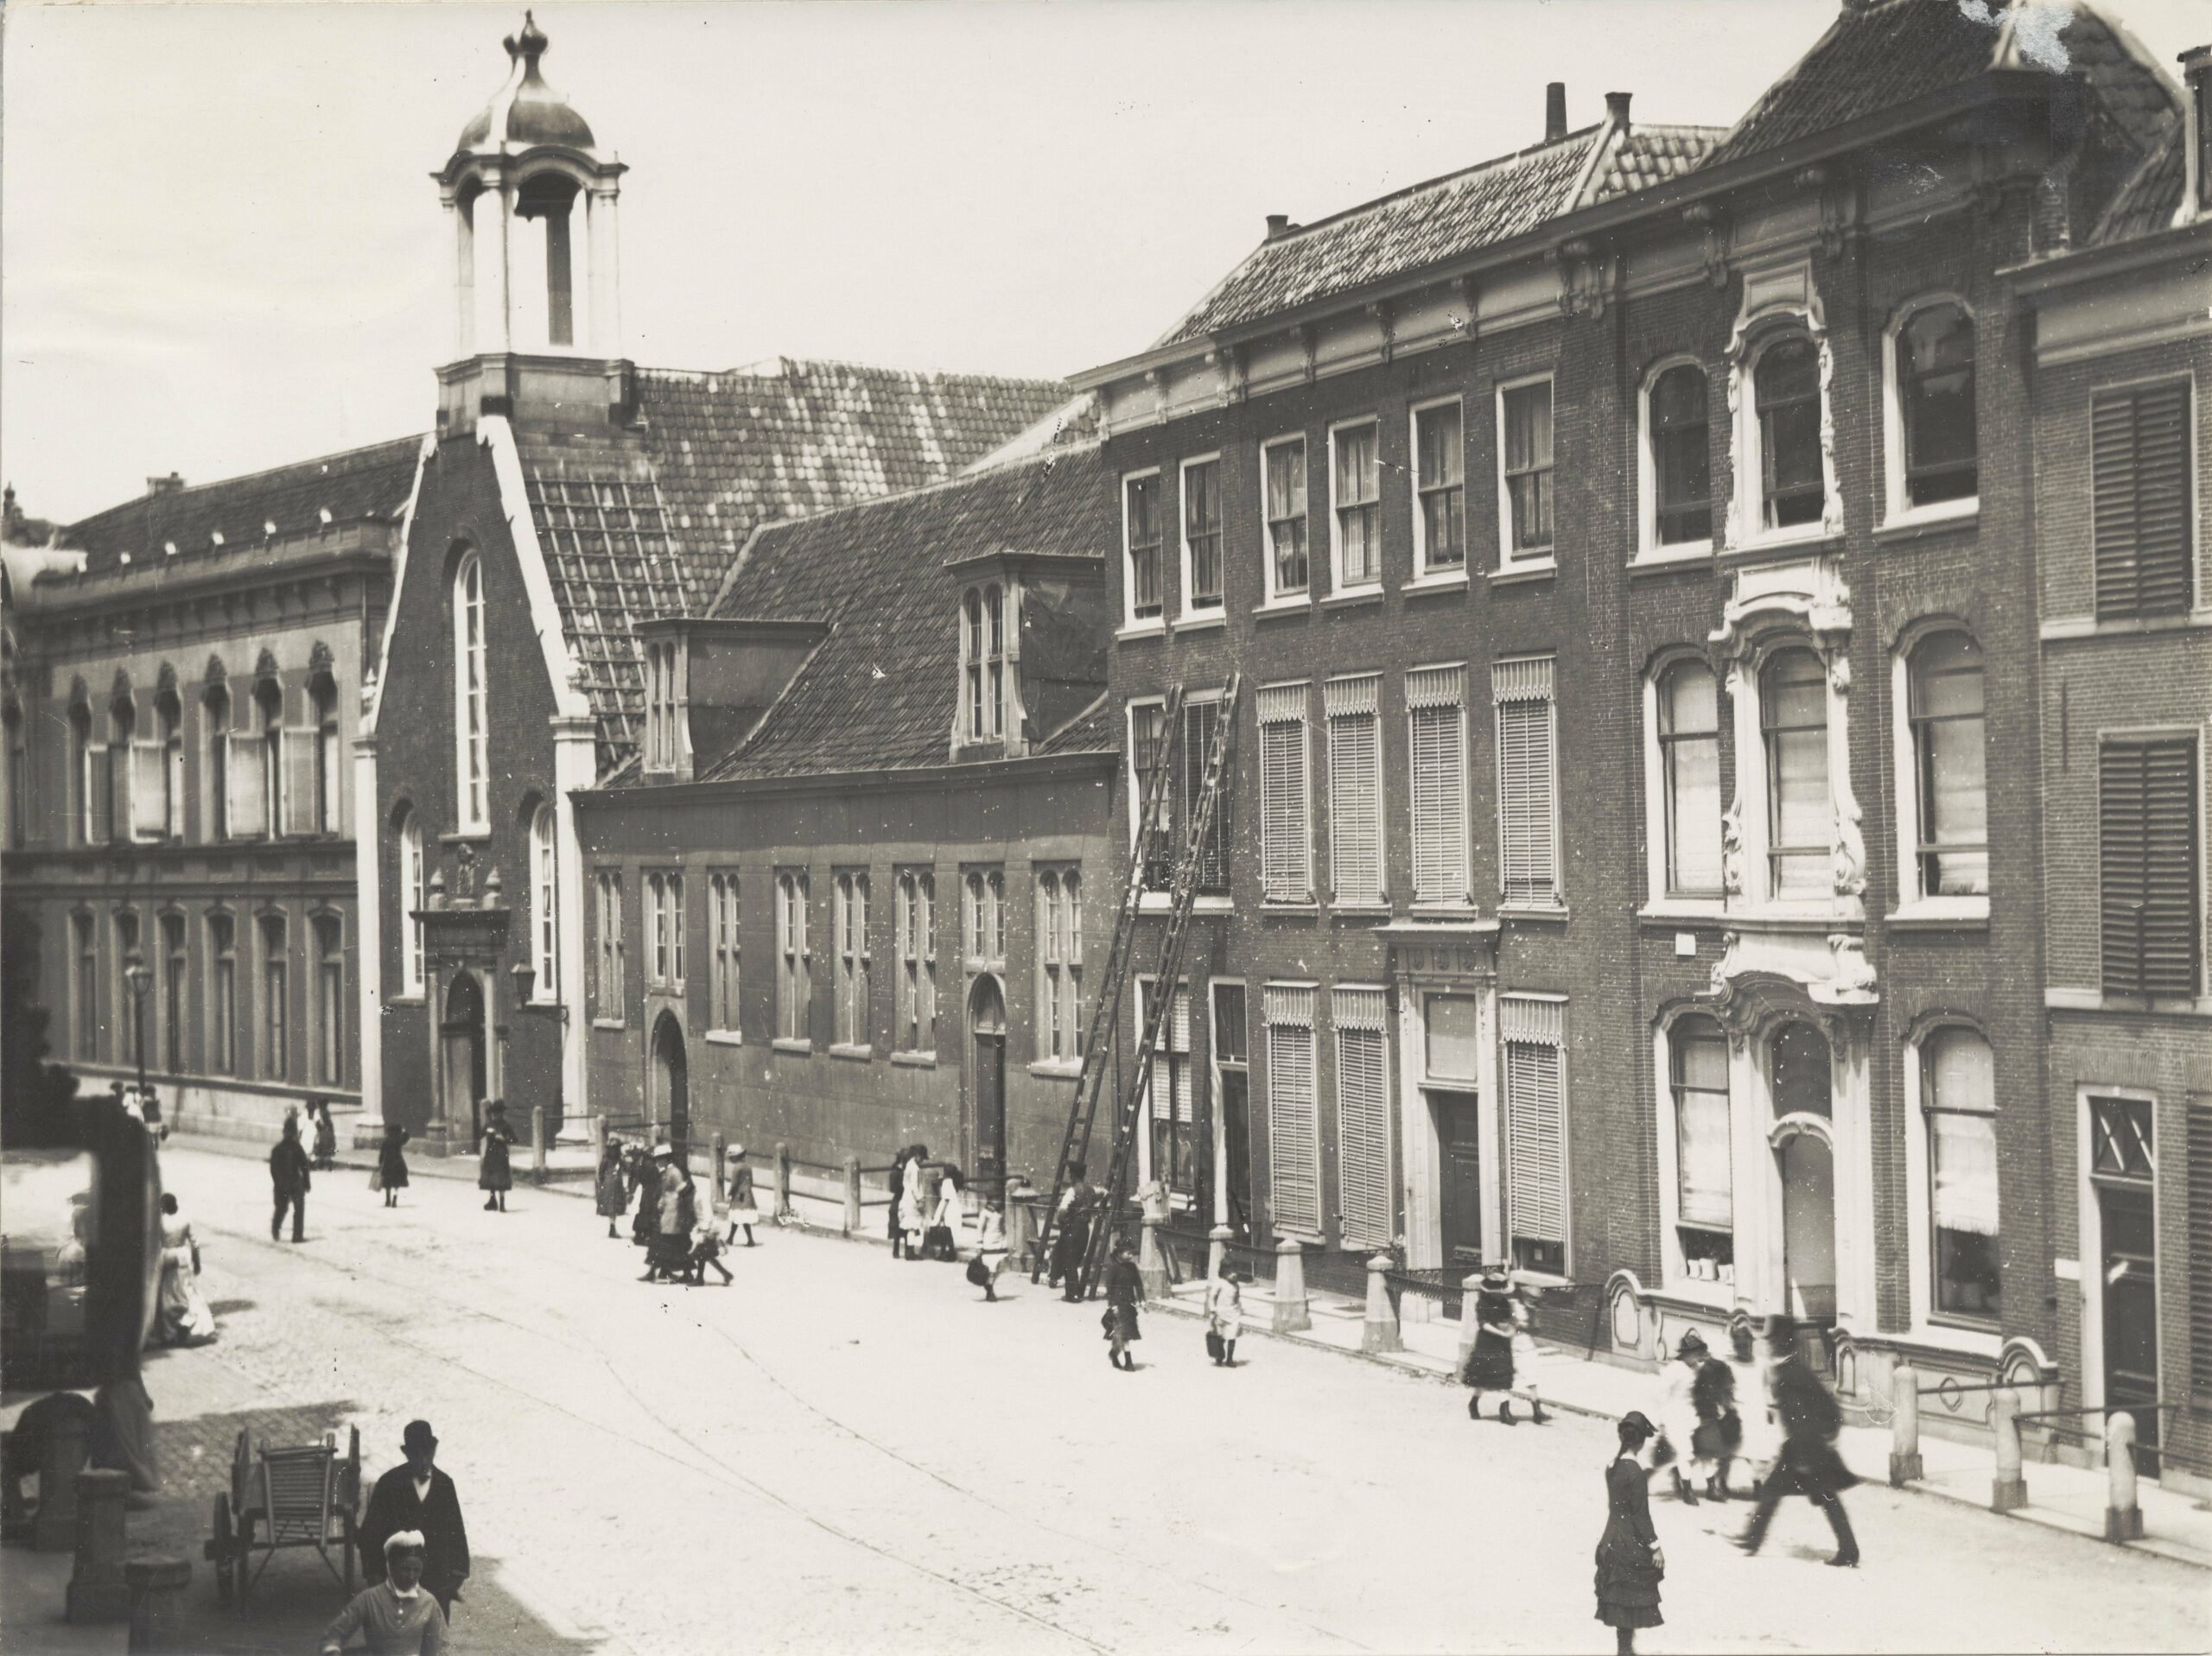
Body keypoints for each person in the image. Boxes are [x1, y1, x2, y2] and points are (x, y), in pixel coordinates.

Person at [1736, 1314, 1859, 1568]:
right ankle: (1752, 1538)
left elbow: (1815, 1414)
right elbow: (1824, 1412)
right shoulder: (1789, 1369)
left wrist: (1808, 1453)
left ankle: (1848, 1550)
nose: (1769, 1344)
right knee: (1818, 1495)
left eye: (1773, 1340)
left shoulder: (1792, 1373)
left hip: (1806, 1450)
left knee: (1812, 1494)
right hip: (1804, 1447)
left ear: (1783, 1342)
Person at [358, 1420, 471, 1619]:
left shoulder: (445, 1484)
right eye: (416, 1454)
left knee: (435, 1633)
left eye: (427, 1452)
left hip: (436, 1578)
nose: (423, 1459)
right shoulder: (390, 1483)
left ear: (434, 1449)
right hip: (397, 1578)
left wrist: (457, 1574)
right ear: (406, 1453)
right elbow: (371, 1534)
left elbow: (456, 1531)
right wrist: (374, 1572)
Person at [1594, 1412, 1665, 1656]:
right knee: (1633, 1593)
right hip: (1628, 1539)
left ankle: (1624, 1649)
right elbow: (1640, 1514)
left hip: (1610, 1537)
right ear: (1641, 1442)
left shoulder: (1611, 1466)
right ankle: (1625, 1651)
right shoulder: (1636, 1473)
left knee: (1620, 1596)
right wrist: (1655, 1546)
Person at [321, 1530, 448, 1655]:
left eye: (417, 1570)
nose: (411, 1576)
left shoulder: (429, 1602)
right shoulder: (369, 1598)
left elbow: (439, 1647)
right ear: (390, 1566)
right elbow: (334, 1634)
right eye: (405, 1569)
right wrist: (333, 1651)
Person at [1656, 1329, 1711, 1504]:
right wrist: (1662, 1420)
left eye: (1698, 1352)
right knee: (1684, 1451)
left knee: (1699, 1450)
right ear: (1685, 1354)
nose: (1696, 1356)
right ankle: (1688, 1491)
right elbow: (1661, 1394)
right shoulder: (1674, 1370)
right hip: (1674, 1415)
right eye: (1693, 1353)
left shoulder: (1696, 1368)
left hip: (1691, 1414)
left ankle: (1678, 1472)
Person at [156, 1193, 216, 1347]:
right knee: (188, 1291)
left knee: (167, 1294)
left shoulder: (160, 1222)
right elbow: (195, 1243)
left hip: (166, 1256)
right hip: (183, 1256)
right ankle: (191, 1322)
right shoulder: (185, 1219)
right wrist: (197, 1262)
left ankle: (170, 1331)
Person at [1725, 1322, 1778, 1494]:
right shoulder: (1730, 1364)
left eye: (1746, 1345)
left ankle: (1758, 1483)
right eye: (1739, 1346)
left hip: (1758, 1409)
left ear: (1752, 1344)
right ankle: (1721, 1482)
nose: (1743, 1349)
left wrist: (1769, 1407)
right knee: (1730, 1450)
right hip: (1739, 1410)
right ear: (1734, 1346)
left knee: (1759, 1450)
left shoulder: (1761, 1363)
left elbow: (1765, 1386)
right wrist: (1728, 1406)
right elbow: (1726, 1389)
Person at [1463, 1268, 1520, 1423]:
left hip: (1502, 1344)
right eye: (1498, 1291)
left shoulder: (1505, 1303)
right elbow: (1484, 1324)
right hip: (1487, 1343)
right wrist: (1501, 1333)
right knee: (1483, 1378)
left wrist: (1511, 1329)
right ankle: (1474, 1402)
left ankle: (1505, 1411)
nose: (1500, 1293)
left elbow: (1509, 1320)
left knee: (1504, 1376)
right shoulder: (1482, 1303)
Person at [1691, 1337, 1744, 1500]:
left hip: (1719, 1414)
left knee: (1723, 1449)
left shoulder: (1721, 1367)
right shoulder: (1702, 1370)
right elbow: (1697, 1394)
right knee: (1705, 1450)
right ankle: (1712, 1487)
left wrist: (1729, 1405)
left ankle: (1720, 1484)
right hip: (1706, 1415)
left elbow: (1728, 1388)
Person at [1048, 1162, 1097, 1302]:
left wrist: (1061, 1221)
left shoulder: (1072, 1191)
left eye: (1070, 1174)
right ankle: (1073, 1290)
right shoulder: (1091, 1189)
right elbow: (1105, 1194)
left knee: (1068, 1259)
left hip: (1072, 1227)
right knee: (1075, 1259)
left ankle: (1072, 1294)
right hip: (1085, 1229)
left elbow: (1062, 1211)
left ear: (1073, 1175)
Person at [1507, 1272, 1550, 1424]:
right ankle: (1504, 1410)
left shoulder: (1530, 1309)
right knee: (1506, 1377)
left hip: (1526, 1344)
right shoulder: (1511, 1304)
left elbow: (1536, 1329)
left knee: (1531, 1375)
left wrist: (1530, 1325)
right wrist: (1516, 1325)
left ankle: (1537, 1411)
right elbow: (1505, 1324)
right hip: (1510, 1343)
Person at [270, 1111, 311, 1243]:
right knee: (282, 1208)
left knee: (299, 1208)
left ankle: (297, 1235)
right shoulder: (278, 1149)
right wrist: (278, 1182)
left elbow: (304, 1166)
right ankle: (276, 1228)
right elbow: (273, 1169)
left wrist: (306, 1182)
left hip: (294, 1182)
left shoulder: (296, 1148)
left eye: (291, 1132)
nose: (290, 1135)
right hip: (283, 1183)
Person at [1102, 1241, 1142, 1370]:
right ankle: (1128, 1362)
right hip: (1118, 1305)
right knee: (1124, 1333)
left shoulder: (1132, 1267)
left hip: (1130, 1305)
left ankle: (1114, 1354)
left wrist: (1142, 1300)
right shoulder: (1113, 1268)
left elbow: (1138, 1284)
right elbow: (1109, 1287)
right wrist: (1112, 1304)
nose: (1131, 1255)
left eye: (1132, 1253)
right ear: (1119, 1253)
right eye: (1128, 1253)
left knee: (1125, 1333)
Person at [966, 1200, 1011, 1301]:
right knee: (991, 1268)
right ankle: (990, 1290)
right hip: (989, 1243)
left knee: (999, 1267)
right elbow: (980, 1229)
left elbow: (1003, 1227)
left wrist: (1006, 1241)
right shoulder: (985, 1212)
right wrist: (979, 1244)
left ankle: (989, 1284)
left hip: (1000, 1241)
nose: (997, 1202)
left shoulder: (1001, 1211)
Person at [477, 1101, 516, 1213]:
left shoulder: (506, 1125)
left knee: (501, 1179)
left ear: (502, 1114)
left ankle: (502, 1204)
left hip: (501, 1154)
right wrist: (486, 1131)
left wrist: (504, 1139)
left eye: (497, 1113)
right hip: (490, 1154)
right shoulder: (489, 1124)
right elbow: (480, 1135)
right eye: (493, 1113)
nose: (495, 1115)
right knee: (491, 1178)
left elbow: (514, 1139)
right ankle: (492, 1201)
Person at [1204, 1265, 1244, 1367]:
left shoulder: (1236, 1285)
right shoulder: (1220, 1284)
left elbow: (1237, 1298)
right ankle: (1219, 1356)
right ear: (1224, 1273)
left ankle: (1230, 1359)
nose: (1234, 1275)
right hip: (1220, 1314)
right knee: (1219, 1337)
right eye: (1230, 1273)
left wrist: (1239, 1310)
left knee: (1232, 1336)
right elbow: (1212, 1297)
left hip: (1233, 1314)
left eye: (1235, 1272)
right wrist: (1213, 1310)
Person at [897, 1145, 931, 1262]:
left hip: (906, 1197)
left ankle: (909, 1250)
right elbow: (914, 1187)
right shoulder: (915, 1168)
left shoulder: (908, 1165)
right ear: (917, 1156)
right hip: (912, 1199)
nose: (922, 1161)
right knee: (912, 1226)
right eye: (922, 1158)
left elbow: (905, 1184)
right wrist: (920, 1199)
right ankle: (910, 1252)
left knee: (910, 1226)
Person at [927, 1164, 966, 1261]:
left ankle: (944, 1253)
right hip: (954, 1206)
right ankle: (949, 1252)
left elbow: (946, 1199)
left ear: (945, 1173)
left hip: (947, 1207)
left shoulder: (946, 1182)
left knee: (943, 1230)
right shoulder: (953, 1181)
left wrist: (942, 1213)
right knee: (947, 1231)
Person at [724, 1146, 760, 1247]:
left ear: (736, 1157)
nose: (730, 1159)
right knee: (742, 1217)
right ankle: (745, 1239)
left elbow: (734, 1184)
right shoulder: (748, 1167)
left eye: (731, 1157)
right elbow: (751, 1182)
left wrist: (729, 1194)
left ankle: (732, 1239)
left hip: (740, 1194)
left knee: (738, 1215)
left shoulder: (737, 1168)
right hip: (747, 1193)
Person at [596, 1138, 629, 1239]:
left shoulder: (608, 1159)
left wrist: (602, 1184)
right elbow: (627, 1168)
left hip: (610, 1184)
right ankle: (612, 1228)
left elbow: (601, 1173)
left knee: (611, 1206)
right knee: (613, 1206)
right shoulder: (617, 1159)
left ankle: (612, 1227)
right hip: (614, 1184)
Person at [376, 1124, 411, 1209]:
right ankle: (395, 1200)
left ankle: (388, 1200)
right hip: (398, 1163)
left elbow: (382, 1154)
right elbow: (406, 1138)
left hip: (388, 1164)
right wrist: (404, 1131)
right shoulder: (398, 1140)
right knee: (396, 1183)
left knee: (387, 1183)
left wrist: (380, 1163)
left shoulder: (386, 1141)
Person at [311, 1101, 339, 1171]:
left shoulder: (321, 1114)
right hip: (328, 1135)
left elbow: (318, 1125)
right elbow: (331, 1128)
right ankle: (328, 1165)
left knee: (320, 1150)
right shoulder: (327, 1116)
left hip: (322, 1135)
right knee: (328, 1151)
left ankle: (320, 1165)